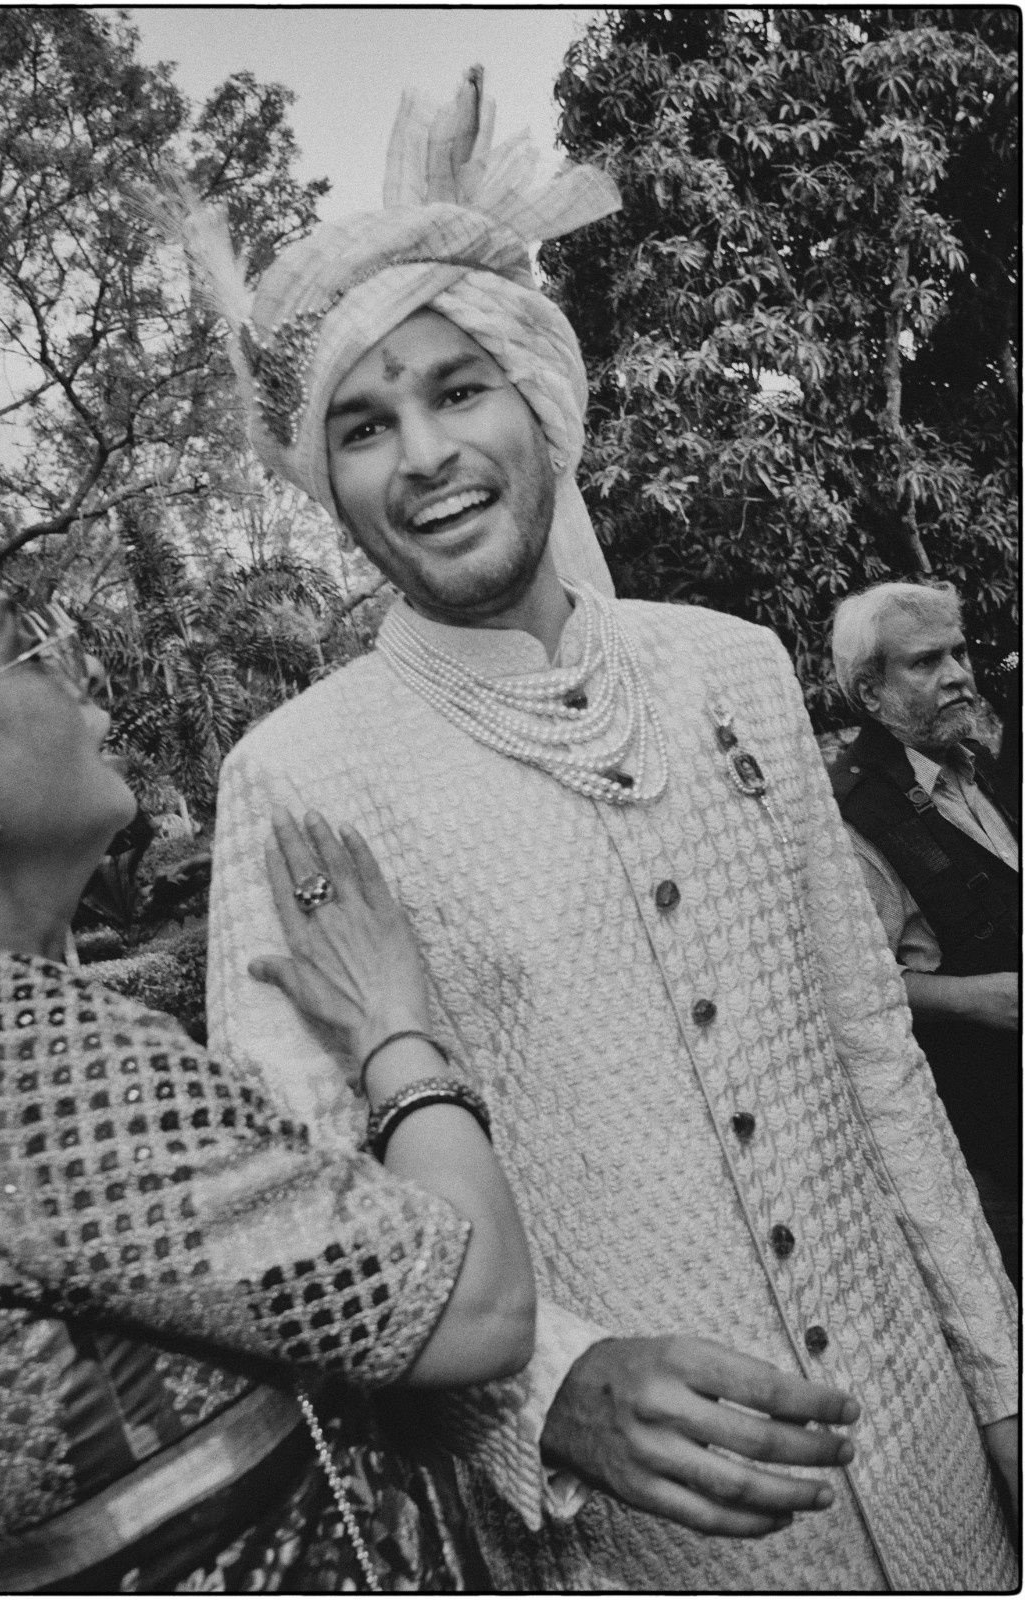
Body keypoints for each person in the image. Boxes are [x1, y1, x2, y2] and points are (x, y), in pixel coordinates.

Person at [190, 71, 1018, 1590]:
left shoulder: (732, 666)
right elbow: (308, 1206)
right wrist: (545, 1388)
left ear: (539, 395)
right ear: (327, 480)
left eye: (457, 390)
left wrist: (1005, 1391)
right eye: (362, 425)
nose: (423, 454)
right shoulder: (294, 774)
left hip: (936, 1466)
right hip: (658, 1552)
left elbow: (873, 1060)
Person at [0, 568, 535, 1592]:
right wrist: (393, 1029)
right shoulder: (20, 1064)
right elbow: (478, 1307)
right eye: (28, 641)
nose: (80, 660)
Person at [828, 582, 1020, 1287]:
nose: (960, 675)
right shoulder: (855, 818)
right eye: (927, 661)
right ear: (870, 693)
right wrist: (973, 998)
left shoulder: (975, 762)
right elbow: (852, 987)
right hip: (989, 1129)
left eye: (961, 652)